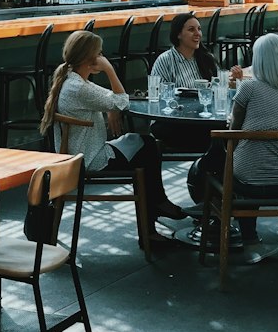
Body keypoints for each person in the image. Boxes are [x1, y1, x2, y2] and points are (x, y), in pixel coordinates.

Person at [39, 30, 186, 235]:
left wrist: (110, 108)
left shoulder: (71, 80)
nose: (102, 57)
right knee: (148, 150)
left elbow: (109, 99)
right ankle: (153, 217)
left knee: (145, 146)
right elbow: (122, 100)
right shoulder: (80, 88)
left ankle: (154, 217)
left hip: (81, 152)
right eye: (99, 54)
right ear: (89, 58)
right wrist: (109, 70)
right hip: (90, 159)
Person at [189, 33, 278, 263]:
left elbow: (232, 135)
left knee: (218, 163)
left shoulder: (248, 89)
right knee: (256, 162)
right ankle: (258, 237)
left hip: (244, 180)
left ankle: (228, 224)